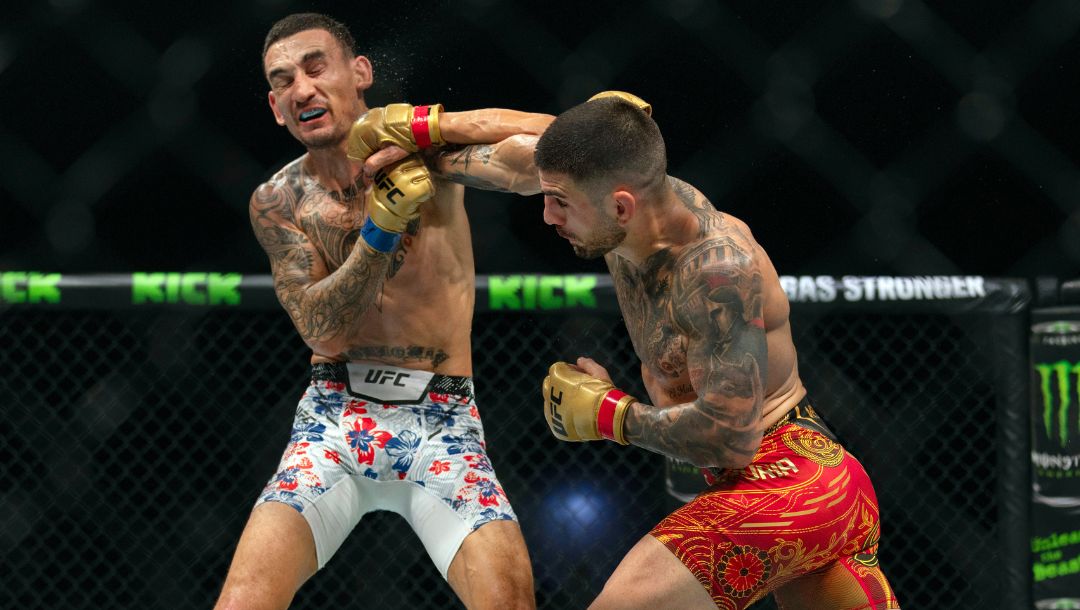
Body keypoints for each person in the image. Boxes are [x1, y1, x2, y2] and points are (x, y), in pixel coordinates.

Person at [214, 12, 552, 610]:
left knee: (509, 599)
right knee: (244, 600)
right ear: (275, 106)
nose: (302, 88)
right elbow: (322, 327)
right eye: (284, 80)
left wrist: (435, 125)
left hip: (443, 420)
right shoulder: (279, 200)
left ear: (360, 73)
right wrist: (380, 230)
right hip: (332, 422)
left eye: (316, 67)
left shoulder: (429, 156)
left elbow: (550, 160)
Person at [534, 96, 901, 609]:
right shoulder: (618, 204)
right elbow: (518, 152)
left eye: (558, 201)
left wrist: (609, 414)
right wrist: (421, 129)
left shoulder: (714, 269)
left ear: (620, 205)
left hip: (791, 480)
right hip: (802, 486)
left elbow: (731, 441)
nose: (545, 214)